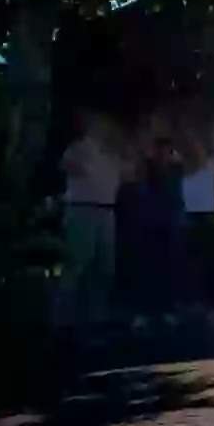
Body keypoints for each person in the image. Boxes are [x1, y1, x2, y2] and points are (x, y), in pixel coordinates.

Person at [56, 112, 124, 337]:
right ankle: (62, 321)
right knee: (77, 264)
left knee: (104, 269)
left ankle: (95, 320)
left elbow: (126, 176)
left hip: (106, 211)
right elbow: (66, 165)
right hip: (82, 209)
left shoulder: (113, 154)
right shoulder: (80, 147)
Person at [134, 132, 188, 326]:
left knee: (168, 269)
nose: (163, 154)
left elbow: (194, 162)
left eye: (167, 151)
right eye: (160, 151)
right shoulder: (147, 168)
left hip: (170, 224)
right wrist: (148, 155)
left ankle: (167, 309)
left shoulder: (176, 168)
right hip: (150, 224)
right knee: (148, 269)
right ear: (155, 152)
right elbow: (138, 174)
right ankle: (144, 312)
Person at [181, 129, 214, 318]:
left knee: (210, 264)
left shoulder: (210, 165)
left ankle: (211, 303)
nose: (198, 154)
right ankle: (192, 301)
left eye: (201, 151)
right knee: (191, 264)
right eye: (195, 151)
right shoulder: (184, 171)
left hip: (207, 218)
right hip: (190, 219)